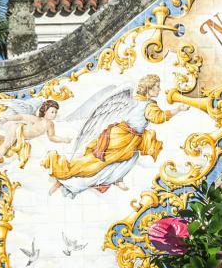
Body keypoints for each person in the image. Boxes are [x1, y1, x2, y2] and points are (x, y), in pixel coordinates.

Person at [43, 75, 188, 197]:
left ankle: (114, 179)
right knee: (95, 163)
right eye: (156, 86)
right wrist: (178, 109)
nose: (159, 89)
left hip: (124, 136)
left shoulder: (139, 100)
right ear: (149, 88)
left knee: (126, 158)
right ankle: (64, 178)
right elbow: (159, 117)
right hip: (123, 138)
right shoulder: (148, 105)